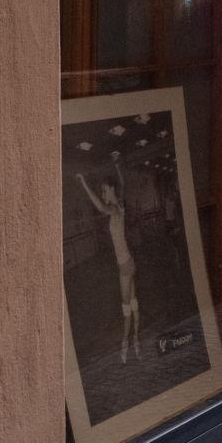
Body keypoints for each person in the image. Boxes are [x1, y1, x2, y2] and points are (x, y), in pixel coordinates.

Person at [78, 156, 141, 365]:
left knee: (126, 309)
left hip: (125, 266)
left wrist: (84, 184)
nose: (103, 194)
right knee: (134, 303)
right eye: (102, 191)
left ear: (111, 190)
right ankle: (136, 341)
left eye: (104, 191)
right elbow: (122, 184)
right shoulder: (120, 204)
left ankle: (125, 347)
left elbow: (101, 208)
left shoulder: (114, 209)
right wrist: (117, 166)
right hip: (129, 262)